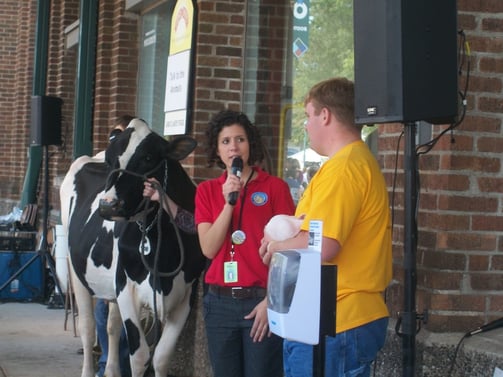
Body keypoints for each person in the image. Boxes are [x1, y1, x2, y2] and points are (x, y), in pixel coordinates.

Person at [259, 78, 392, 377]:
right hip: (336, 318)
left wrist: (274, 245)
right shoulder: (349, 163)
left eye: (308, 116)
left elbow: (324, 244)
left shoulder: (344, 167)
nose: (306, 125)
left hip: (338, 321)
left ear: (325, 115)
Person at [195, 110, 296, 377]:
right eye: (225, 141)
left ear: (250, 144)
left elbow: (290, 251)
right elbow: (208, 248)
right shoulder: (206, 191)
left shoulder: (275, 188)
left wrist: (271, 302)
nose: (233, 147)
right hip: (219, 303)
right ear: (217, 150)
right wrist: (230, 202)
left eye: (240, 139)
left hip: (260, 301)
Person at [94, 114, 134, 377]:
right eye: (115, 136)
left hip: (127, 249)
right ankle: (105, 364)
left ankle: (121, 366)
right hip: (103, 249)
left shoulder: (133, 167)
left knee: (124, 315)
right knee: (103, 310)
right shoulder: (101, 161)